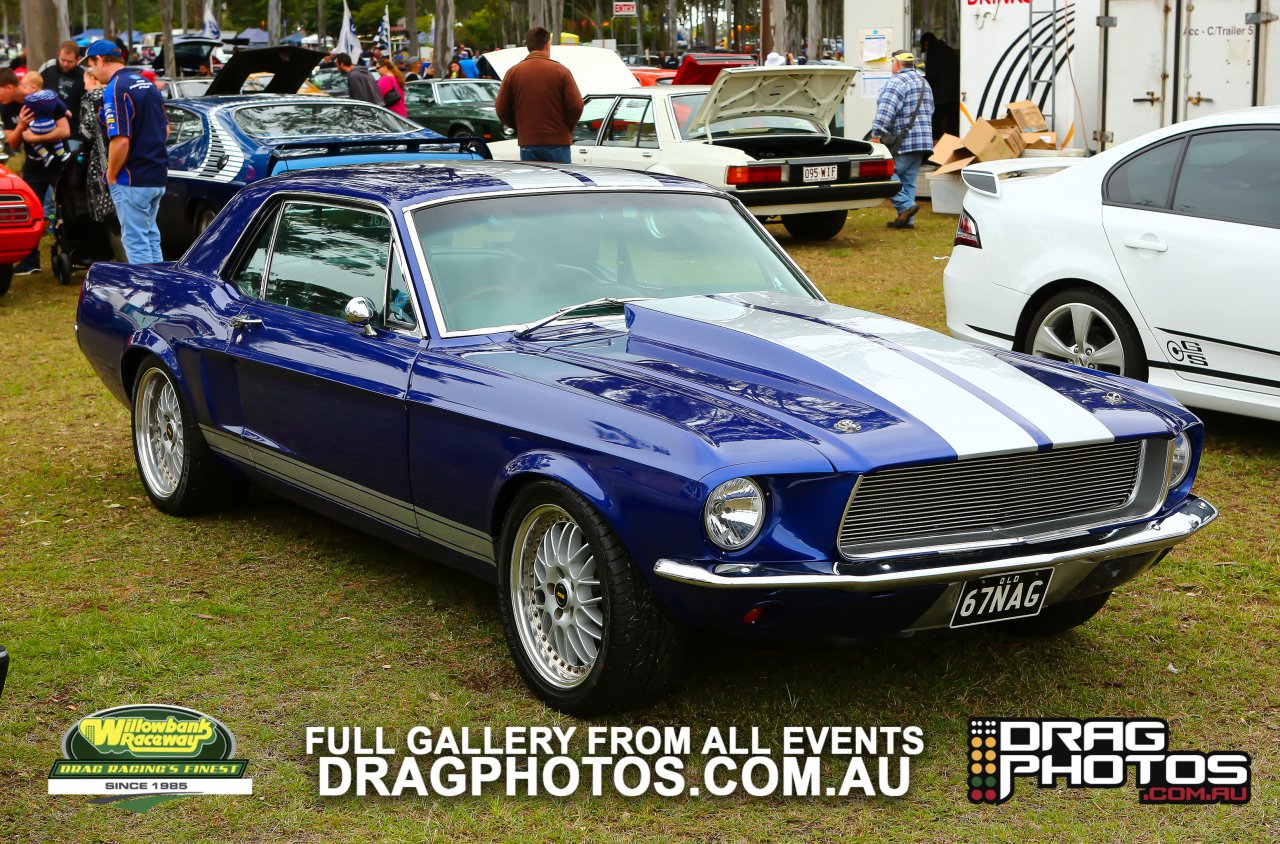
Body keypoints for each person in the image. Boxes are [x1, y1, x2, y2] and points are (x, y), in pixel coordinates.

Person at [85, 39, 169, 264]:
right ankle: (159, 291)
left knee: (135, 242)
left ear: (100, 60)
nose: (92, 73)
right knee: (151, 237)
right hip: (156, 175)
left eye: (91, 65)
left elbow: (120, 140)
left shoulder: (115, 88)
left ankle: (144, 297)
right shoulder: (146, 83)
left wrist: (111, 175)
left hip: (132, 179)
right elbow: (166, 129)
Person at [0, 67, 71, 274]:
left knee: (66, 209)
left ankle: (70, 254)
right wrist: (22, 126)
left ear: (10, 87)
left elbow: (64, 130)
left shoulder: (44, 99)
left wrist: (34, 138)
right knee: (30, 214)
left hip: (58, 163)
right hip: (33, 167)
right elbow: (12, 144)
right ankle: (31, 262)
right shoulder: (7, 108)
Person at [494, 27, 583, 163]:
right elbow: (576, 106)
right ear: (547, 45)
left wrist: (521, 127)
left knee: (534, 182)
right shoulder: (561, 71)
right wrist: (565, 127)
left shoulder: (513, 72)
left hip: (528, 142)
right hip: (558, 142)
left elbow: (501, 108)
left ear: (528, 46)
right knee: (561, 182)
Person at [870, 49, 935, 229]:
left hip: (903, 142)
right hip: (922, 141)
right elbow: (931, 109)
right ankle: (907, 220)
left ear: (896, 64)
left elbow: (886, 110)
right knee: (908, 181)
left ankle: (906, 206)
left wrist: (876, 134)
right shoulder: (924, 82)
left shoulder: (896, 82)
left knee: (883, 173)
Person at [19, 77, 72, 165]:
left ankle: (45, 154)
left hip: (36, 127)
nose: (22, 90)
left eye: (24, 87)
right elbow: (58, 102)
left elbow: (26, 112)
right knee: (57, 140)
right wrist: (66, 111)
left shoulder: (29, 100)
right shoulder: (50, 95)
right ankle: (62, 154)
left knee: (32, 140)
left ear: (33, 88)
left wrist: (33, 138)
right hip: (50, 124)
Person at [41, 41, 86, 140]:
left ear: (77, 59)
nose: (65, 64)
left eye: (70, 62)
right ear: (58, 55)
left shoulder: (83, 75)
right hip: (46, 126)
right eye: (63, 60)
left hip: (72, 130)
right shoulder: (48, 67)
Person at [920, 32, 960, 140]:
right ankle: (952, 146)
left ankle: (936, 149)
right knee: (953, 125)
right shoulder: (951, 51)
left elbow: (931, 75)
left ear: (926, 43)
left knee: (936, 125)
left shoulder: (932, 52)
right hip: (955, 95)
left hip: (940, 97)